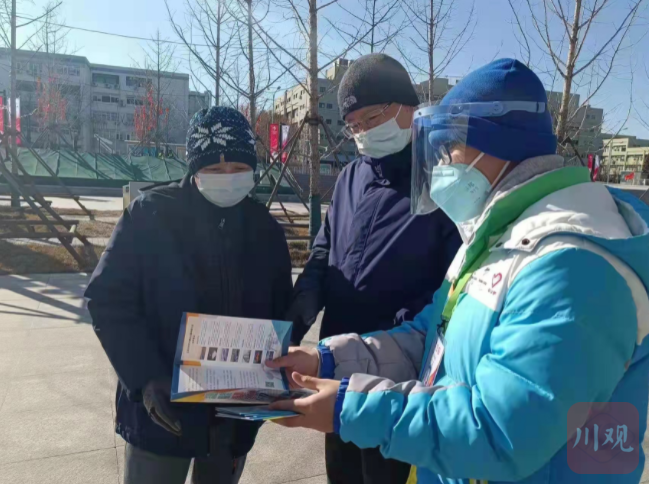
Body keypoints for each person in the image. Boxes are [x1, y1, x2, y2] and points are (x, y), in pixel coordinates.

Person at [269, 59, 649, 484]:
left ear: (497, 142)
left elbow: (498, 432)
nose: (441, 166)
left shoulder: (573, 269)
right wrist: (328, 359)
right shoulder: (501, 237)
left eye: (449, 149)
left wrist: (349, 407)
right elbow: (433, 336)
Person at [86, 106, 293, 484]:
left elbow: (280, 309)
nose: (227, 178)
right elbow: (107, 299)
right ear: (195, 168)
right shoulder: (150, 215)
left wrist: (275, 374)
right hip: (161, 409)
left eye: (238, 168)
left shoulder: (265, 230)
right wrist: (145, 377)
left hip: (234, 414)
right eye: (215, 169)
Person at [283, 53, 461, 484]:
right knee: (342, 473)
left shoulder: (441, 182)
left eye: (372, 118)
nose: (363, 132)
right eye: (353, 124)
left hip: (398, 379)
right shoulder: (350, 177)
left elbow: (453, 286)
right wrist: (295, 317)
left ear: (407, 106)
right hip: (337, 368)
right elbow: (323, 254)